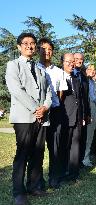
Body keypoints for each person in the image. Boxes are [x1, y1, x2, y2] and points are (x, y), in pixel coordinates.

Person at [5, 33, 52, 205]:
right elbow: (16, 90)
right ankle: (18, 192)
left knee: (38, 153)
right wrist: (35, 109)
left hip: (41, 117)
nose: (30, 46)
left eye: (33, 43)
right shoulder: (13, 65)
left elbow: (47, 91)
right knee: (23, 154)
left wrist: (45, 107)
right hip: (24, 117)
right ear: (19, 47)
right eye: (26, 43)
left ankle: (34, 186)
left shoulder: (40, 68)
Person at [37, 37, 67, 189]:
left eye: (49, 49)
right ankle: (37, 181)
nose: (47, 52)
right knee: (38, 148)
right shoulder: (34, 68)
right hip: (38, 113)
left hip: (55, 112)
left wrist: (54, 106)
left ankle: (54, 178)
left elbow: (61, 93)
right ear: (38, 50)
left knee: (54, 147)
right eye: (43, 49)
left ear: (53, 52)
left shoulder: (58, 72)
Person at [60, 53, 84, 182]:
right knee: (64, 146)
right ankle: (63, 173)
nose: (71, 64)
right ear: (62, 62)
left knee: (75, 146)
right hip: (65, 118)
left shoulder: (75, 79)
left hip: (77, 118)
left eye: (72, 62)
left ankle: (74, 174)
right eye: (68, 61)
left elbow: (80, 99)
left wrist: (82, 116)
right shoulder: (59, 77)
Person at [73, 53, 91, 166]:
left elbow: (86, 97)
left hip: (83, 113)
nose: (79, 61)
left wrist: (88, 114)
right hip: (72, 113)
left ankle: (79, 163)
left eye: (81, 59)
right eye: (77, 59)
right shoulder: (69, 74)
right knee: (73, 140)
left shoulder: (84, 77)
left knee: (82, 139)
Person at [82, 65, 96, 167]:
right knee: (84, 136)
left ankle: (86, 158)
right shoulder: (83, 81)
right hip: (86, 109)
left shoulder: (94, 83)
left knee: (90, 135)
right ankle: (83, 158)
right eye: (90, 69)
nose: (92, 72)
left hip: (93, 108)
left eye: (94, 70)